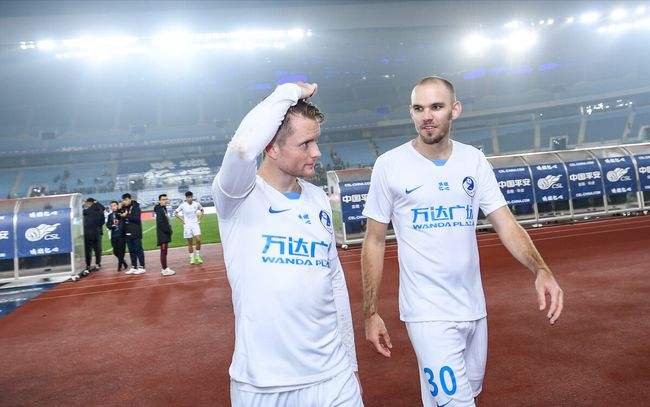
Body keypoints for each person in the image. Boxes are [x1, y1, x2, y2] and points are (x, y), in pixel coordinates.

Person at [361, 76, 564, 407]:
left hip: (473, 308)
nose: (427, 116)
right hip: (426, 312)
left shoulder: (473, 160)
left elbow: (505, 222)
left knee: (468, 393)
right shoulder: (389, 165)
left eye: (436, 107)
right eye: (418, 108)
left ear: (455, 110)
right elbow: (374, 241)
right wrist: (370, 311)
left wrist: (540, 268)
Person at [212, 82, 362, 406]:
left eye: (316, 141)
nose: (316, 153)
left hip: (333, 377)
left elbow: (334, 283)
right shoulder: (237, 196)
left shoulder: (318, 198)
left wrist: (350, 365)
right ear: (271, 147)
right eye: (305, 143)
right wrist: (288, 91)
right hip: (265, 386)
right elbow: (242, 148)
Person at [174, 191, 204, 265]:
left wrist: (199, 218)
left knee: (198, 240)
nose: (190, 198)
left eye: (191, 197)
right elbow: (175, 213)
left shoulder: (196, 204)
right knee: (190, 242)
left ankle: (198, 256)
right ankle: (192, 258)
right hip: (187, 225)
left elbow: (202, 210)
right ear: (186, 198)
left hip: (195, 224)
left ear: (192, 197)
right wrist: (183, 220)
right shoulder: (183, 205)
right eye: (188, 197)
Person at [120, 193, 145, 275]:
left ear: (130, 199)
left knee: (138, 250)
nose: (125, 202)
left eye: (126, 200)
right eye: (123, 200)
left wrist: (127, 215)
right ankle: (134, 267)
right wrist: (120, 208)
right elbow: (119, 216)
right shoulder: (124, 207)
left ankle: (142, 267)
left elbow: (136, 219)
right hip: (127, 232)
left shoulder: (136, 207)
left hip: (135, 232)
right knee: (131, 251)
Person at [82, 197, 105, 275]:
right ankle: (97, 264)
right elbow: (102, 221)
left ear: (89, 203)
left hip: (88, 234)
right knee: (98, 250)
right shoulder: (100, 210)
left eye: (86, 203)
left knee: (88, 251)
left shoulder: (86, 211)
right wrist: (96, 202)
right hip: (97, 233)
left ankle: (88, 265)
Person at [154, 194, 175, 276]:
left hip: (164, 233)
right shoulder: (159, 210)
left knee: (164, 251)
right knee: (163, 251)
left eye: (166, 199)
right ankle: (164, 269)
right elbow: (160, 223)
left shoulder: (163, 208)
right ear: (159, 201)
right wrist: (168, 230)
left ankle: (165, 268)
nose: (165, 201)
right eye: (163, 199)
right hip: (162, 234)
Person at [106, 200, 128, 271]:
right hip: (114, 235)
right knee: (115, 251)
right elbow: (108, 225)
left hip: (121, 235)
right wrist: (111, 226)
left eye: (114, 205)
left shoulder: (122, 213)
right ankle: (123, 262)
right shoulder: (110, 216)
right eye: (112, 206)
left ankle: (119, 265)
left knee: (121, 251)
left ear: (117, 205)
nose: (113, 207)